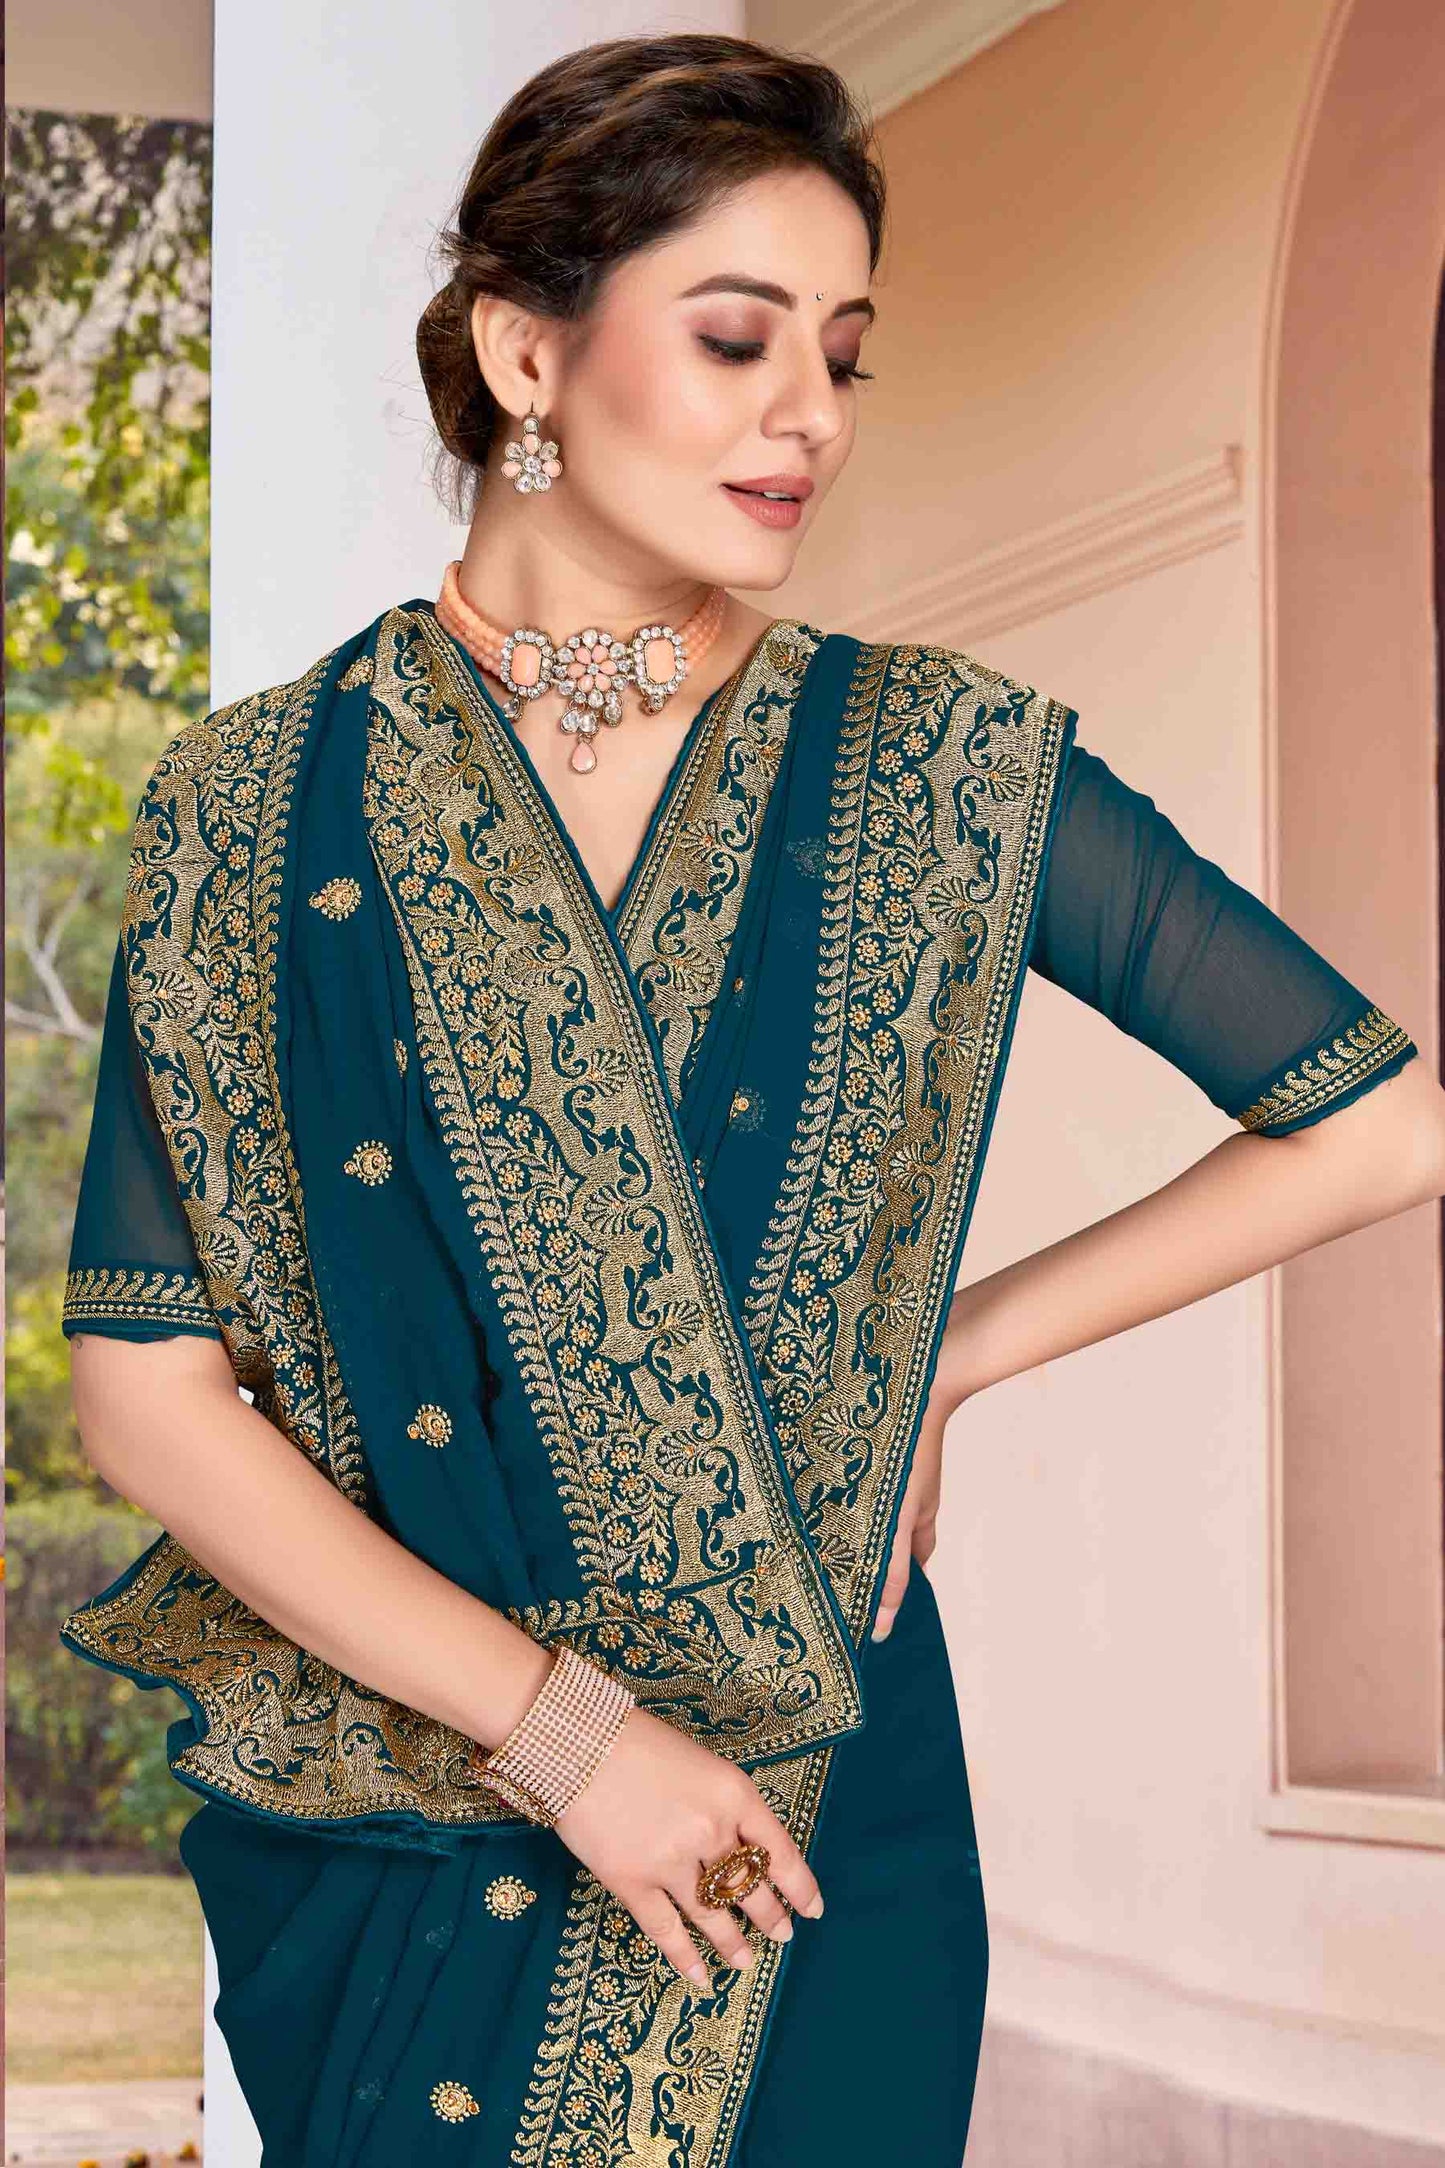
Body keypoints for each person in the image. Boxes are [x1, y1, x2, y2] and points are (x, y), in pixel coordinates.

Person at [58, 31, 1445, 2168]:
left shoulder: (934, 767)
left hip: (811, 1837)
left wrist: (944, 1353)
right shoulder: (257, 808)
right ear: (526, 354)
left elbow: (1375, 1123)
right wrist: (572, 1742)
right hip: (410, 1808)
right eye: (737, 339)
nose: (812, 413)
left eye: (846, 354)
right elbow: (150, 1393)